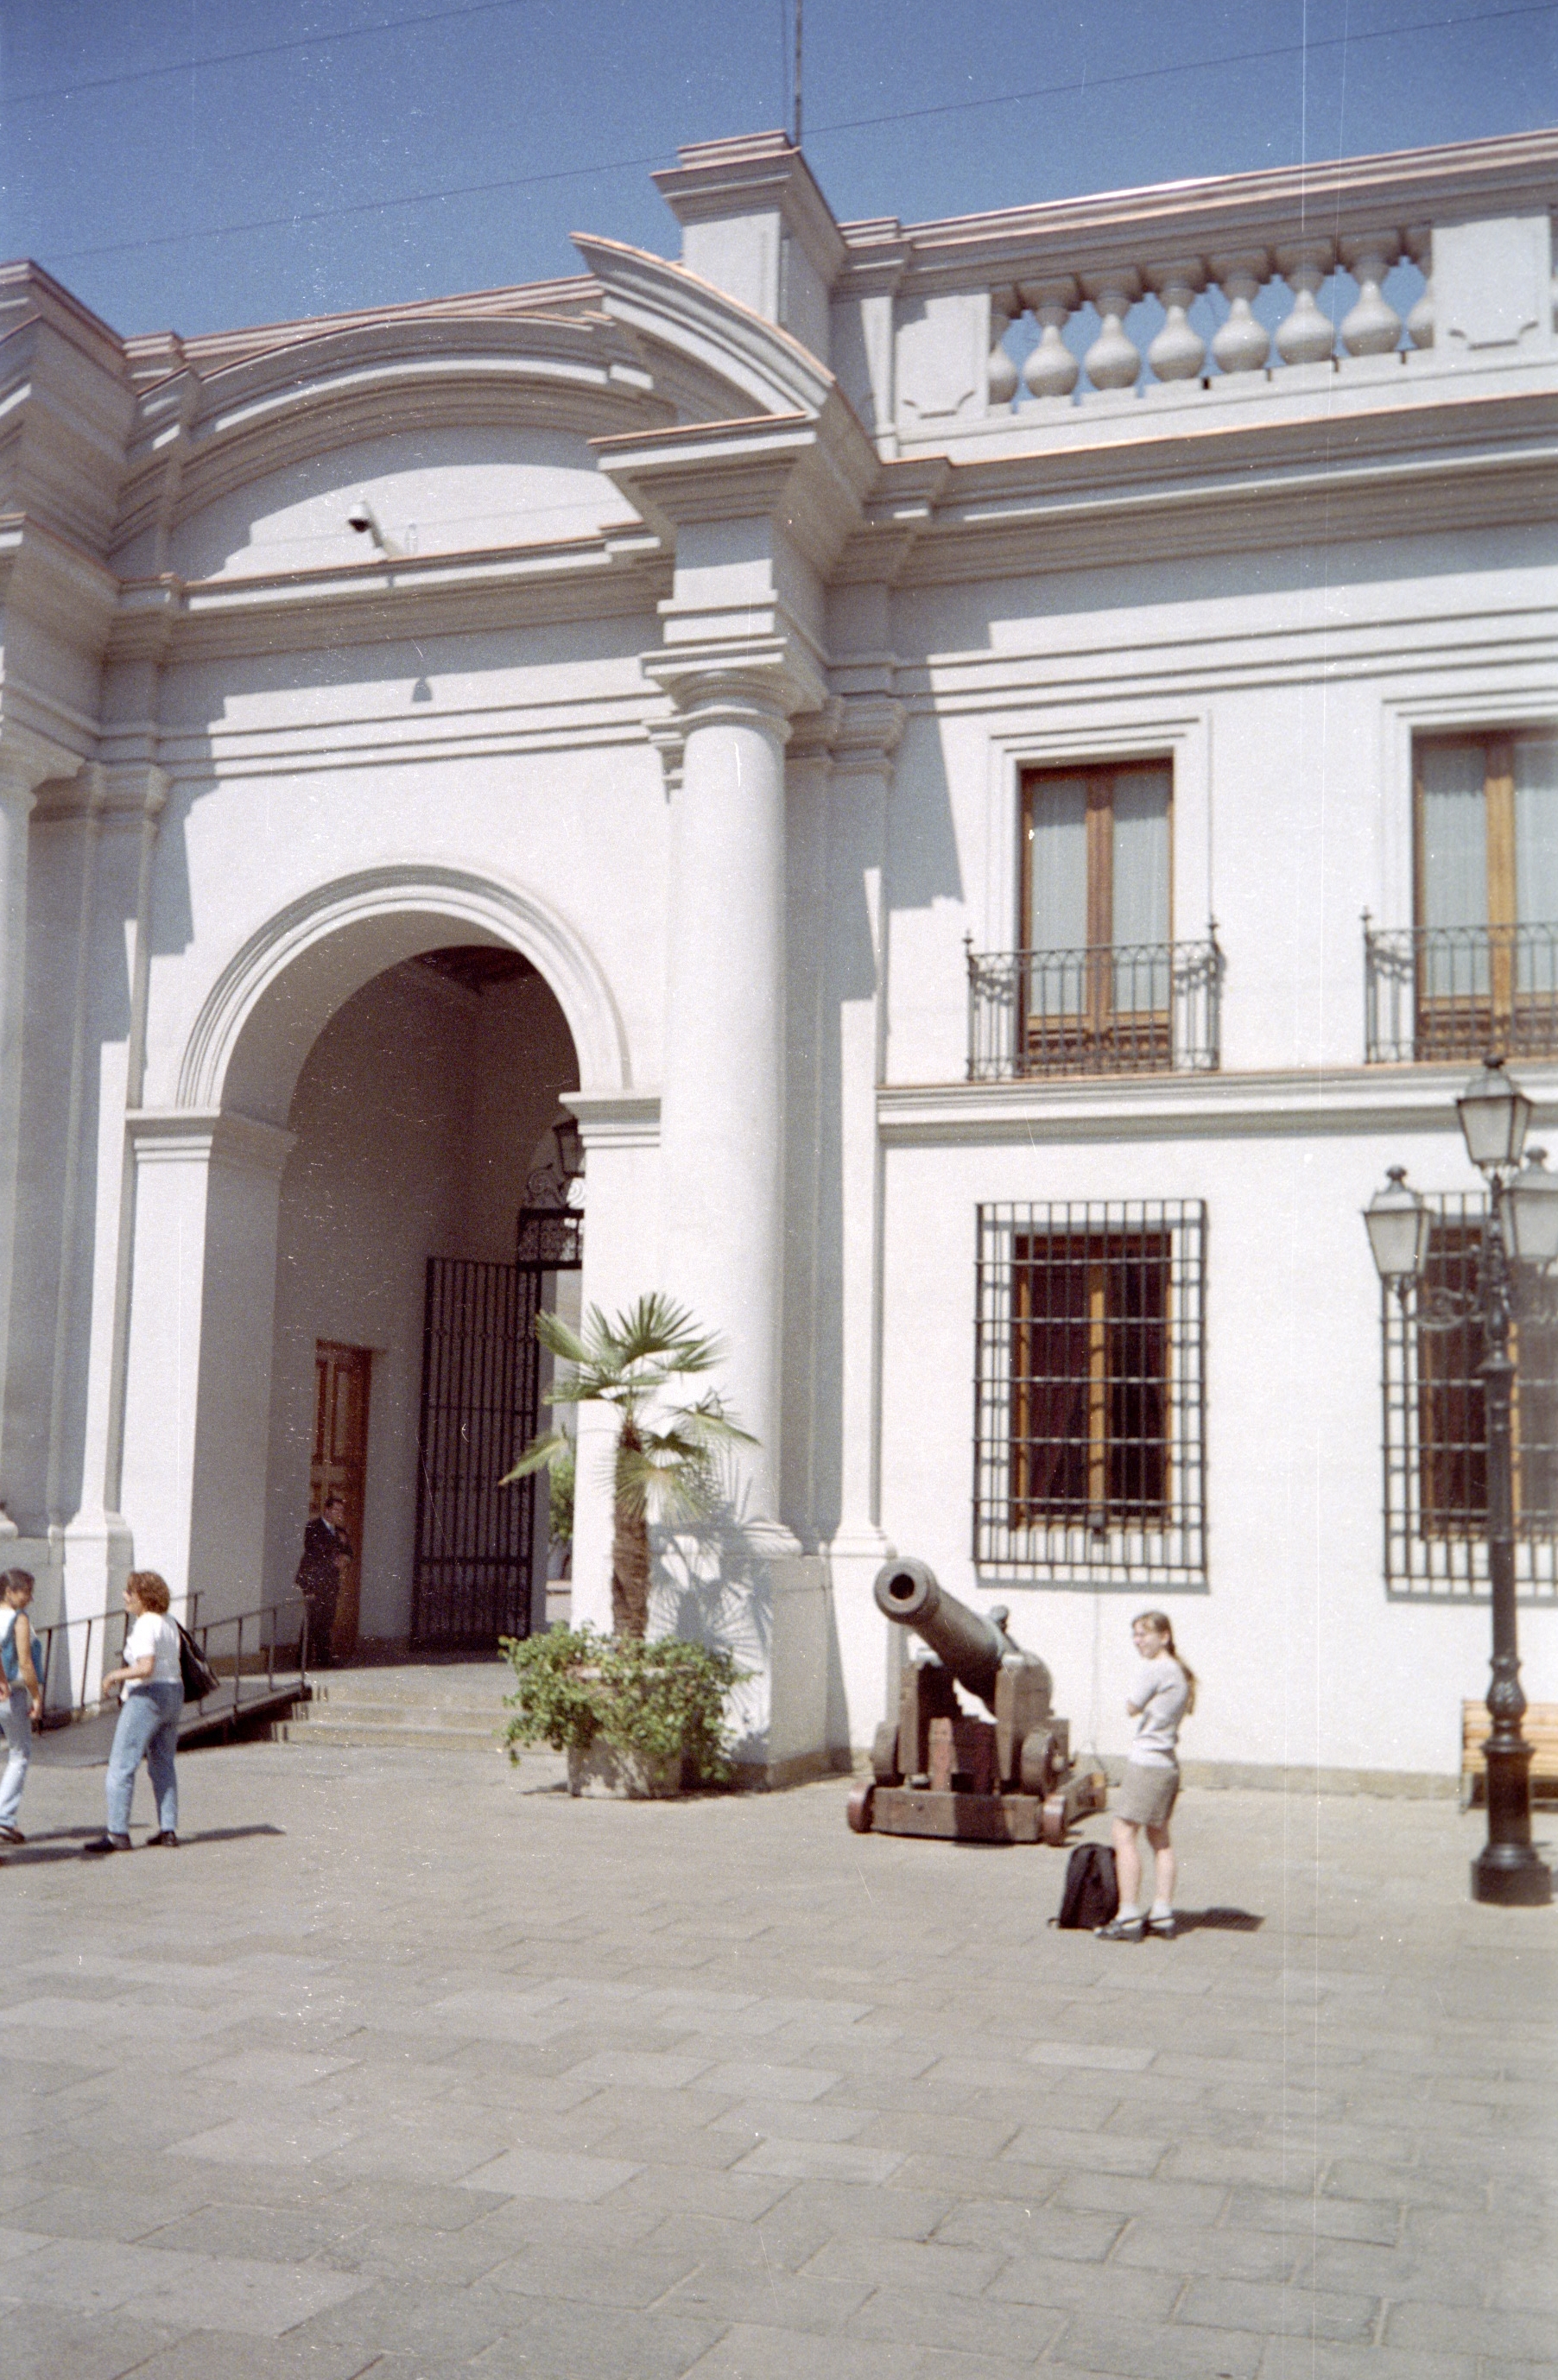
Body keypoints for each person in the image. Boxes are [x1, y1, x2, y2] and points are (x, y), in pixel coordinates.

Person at [1096, 1609, 1195, 1943]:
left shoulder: (1156, 1669)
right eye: (1135, 1635)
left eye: (1144, 1634)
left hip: (1147, 1764)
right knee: (1159, 1838)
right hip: (1166, 1764)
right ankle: (1163, 1913)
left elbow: (1130, 1706)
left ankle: (1127, 1917)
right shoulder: (1178, 1671)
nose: (1138, 1641)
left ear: (1164, 1636)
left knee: (1122, 1834)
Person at [84, 1572, 183, 1853]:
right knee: (163, 1763)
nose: (125, 1597)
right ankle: (168, 1829)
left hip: (147, 1696)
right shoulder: (170, 1622)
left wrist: (113, 1675)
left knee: (121, 1765)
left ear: (144, 1597)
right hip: (174, 1693)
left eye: (130, 1592)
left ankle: (117, 1834)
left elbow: (145, 1667)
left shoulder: (145, 1624)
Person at [0, 1568, 42, 1845]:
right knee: (20, 1753)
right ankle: (4, 1818)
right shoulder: (19, 1619)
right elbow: (25, 1663)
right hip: (10, 1694)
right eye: (25, 1591)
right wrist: (36, 1695)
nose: (30, 1597)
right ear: (9, 1591)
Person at [295, 1493, 352, 1667]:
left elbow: (349, 1552)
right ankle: (302, 1659)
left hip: (330, 1581)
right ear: (326, 1510)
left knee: (327, 1618)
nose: (339, 1513)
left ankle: (323, 1659)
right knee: (313, 1619)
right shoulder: (314, 1526)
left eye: (341, 1510)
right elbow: (317, 1549)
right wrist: (338, 1546)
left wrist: (345, 1558)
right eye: (335, 1509)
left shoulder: (341, 1531)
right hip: (313, 1580)